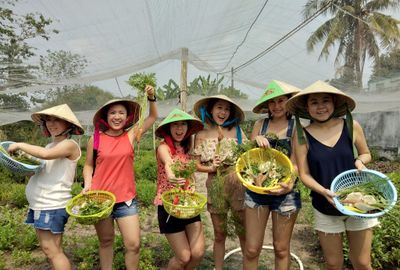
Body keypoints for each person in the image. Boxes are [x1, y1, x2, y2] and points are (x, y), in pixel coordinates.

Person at [287, 80, 377, 270]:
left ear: (334, 103)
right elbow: (304, 174)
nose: (321, 107)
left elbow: (366, 153)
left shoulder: (351, 126)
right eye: (314, 102)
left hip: (358, 203)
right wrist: (324, 192)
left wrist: (360, 161)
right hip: (325, 206)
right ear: (307, 107)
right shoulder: (302, 134)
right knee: (334, 264)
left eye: (325, 100)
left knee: (362, 262)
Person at [82, 85, 157, 270]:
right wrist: (87, 185)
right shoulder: (96, 138)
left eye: (121, 112)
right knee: (106, 241)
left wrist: (151, 98)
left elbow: (152, 117)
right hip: (101, 199)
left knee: (133, 244)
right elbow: (88, 165)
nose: (117, 116)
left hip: (126, 200)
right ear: (106, 117)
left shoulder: (131, 135)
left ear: (127, 116)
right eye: (113, 113)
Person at [7, 104, 84, 270]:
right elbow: (40, 170)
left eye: (57, 120)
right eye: (48, 120)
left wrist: (19, 144)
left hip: (51, 204)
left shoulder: (70, 145)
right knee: (55, 249)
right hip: (43, 204)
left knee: (51, 251)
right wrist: (23, 165)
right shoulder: (50, 146)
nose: (51, 123)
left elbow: (45, 155)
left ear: (68, 125)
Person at [243, 80, 302, 270]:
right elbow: (248, 158)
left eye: (281, 101)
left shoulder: (296, 127)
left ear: (289, 103)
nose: (276, 106)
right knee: (251, 249)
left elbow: (296, 161)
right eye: (272, 102)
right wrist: (255, 140)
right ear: (267, 105)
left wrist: (290, 183)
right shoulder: (260, 124)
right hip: (256, 190)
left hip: (286, 193)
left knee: (281, 248)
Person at [192, 95, 247, 270]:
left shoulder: (237, 131)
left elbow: (247, 157)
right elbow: (196, 165)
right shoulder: (201, 134)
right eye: (219, 108)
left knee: (242, 231)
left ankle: (249, 265)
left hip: (238, 187)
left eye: (226, 109)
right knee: (219, 233)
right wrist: (211, 168)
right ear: (210, 110)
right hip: (215, 187)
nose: (223, 112)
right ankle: (218, 267)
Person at [154, 108, 205, 270]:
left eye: (183, 124)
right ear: (168, 128)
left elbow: (197, 166)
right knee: (183, 257)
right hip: (168, 205)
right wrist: (171, 175)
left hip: (188, 205)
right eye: (175, 125)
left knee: (197, 253)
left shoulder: (187, 150)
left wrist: (213, 167)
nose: (179, 129)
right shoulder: (163, 147)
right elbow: (168, 161)